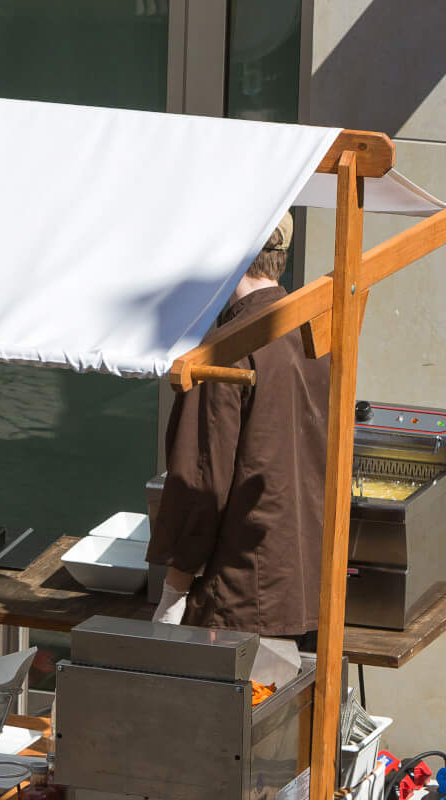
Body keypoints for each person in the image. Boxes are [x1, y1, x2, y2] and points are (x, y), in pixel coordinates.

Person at [147, 212, 328, 649]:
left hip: (241, 598)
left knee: (232, 716)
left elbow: (201, 484)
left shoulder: (226, 351)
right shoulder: (317, 335)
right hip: (311, 588)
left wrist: (173, 593)